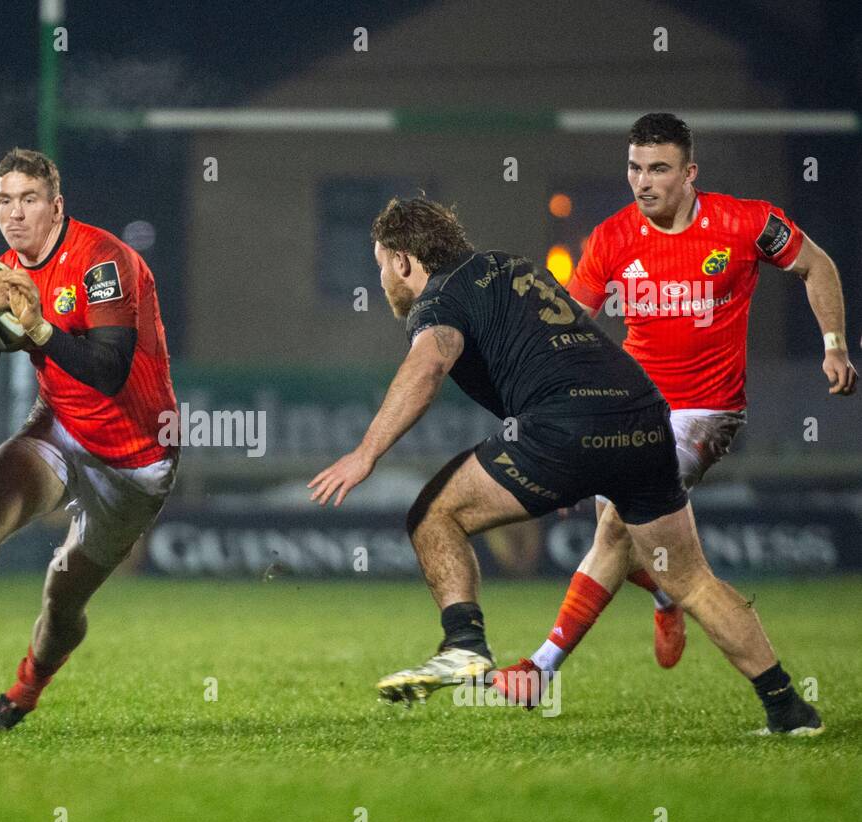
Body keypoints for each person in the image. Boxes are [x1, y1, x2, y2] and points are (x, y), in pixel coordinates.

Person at [308, 195, 821, 735]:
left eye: (381, 265)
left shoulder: (436, 301)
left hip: (568, 424)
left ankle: (463, 644)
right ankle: (788, 707)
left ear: (404, 261)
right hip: (644, 416)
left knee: (433, 515)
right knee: (691, 580)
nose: (384, 278)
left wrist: (365, 453)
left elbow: (429, 364)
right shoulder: (507, 265)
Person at [495, 113, 854, 691]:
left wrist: (833, 346)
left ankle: (541, 667)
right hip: (633, 410)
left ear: (689, 173)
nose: (643, 181)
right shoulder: (611, 238)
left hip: (708, 412)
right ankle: (666, 594)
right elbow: (568, 329)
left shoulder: (745, 223)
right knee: (629, 534)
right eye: (635, 168)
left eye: (658, 168)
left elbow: (818, 265)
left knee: (614, 528)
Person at [0, 147, 178, 734]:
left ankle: (23, 694)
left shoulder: (103, 260)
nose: (15, 213)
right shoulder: (3, 272)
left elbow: (109, 372)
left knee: (63, 598)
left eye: (29, 200)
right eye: (4, 201)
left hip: (137, 456)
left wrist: (35, 327)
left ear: (56, 206)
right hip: (59, 426)